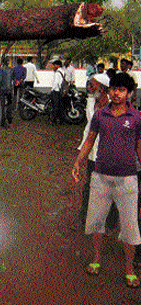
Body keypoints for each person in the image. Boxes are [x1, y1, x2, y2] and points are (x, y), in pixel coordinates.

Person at [72, 72, 141, 288]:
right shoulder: (100, 115)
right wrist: (78, 162)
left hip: (128, 179)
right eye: (114, 89)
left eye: (121, 90)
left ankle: (129, 268)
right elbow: (89, 141)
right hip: (100, 177)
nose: (116, 93)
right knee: (96, 222)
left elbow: (140, 147)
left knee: (130, 227)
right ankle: (96, 258)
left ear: (129, 93)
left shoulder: (137, 118)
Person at [77, 73, 118, 229]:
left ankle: (110, 221)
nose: (89, 88)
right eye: (89, 84)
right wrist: (81, 154)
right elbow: (88, 130)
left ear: (103, 88)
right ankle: (86, 218)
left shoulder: (115, 108)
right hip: (93, 154)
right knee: (89, 187)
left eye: (93, 85)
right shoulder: (90, 103)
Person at [0, 57, 14, 128]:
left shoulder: (1, 70)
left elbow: (0, 80)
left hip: (3, 90)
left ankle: (3, 122)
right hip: (9, 90)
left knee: (2, 106)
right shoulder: (11, 70)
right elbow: (12, 79)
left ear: (3, 63)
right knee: (10, 105)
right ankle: (9, 119)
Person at [50, 60, 65, 125]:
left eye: (54, 65)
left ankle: (54, 120)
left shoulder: (57, 73)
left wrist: (52, 89)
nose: (53, 67)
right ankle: (60, 120)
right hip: (60, 91)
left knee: (55, 106)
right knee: (59, 106)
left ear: (58, 65)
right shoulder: (62, 71)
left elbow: (56, 83)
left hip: (56, 91)